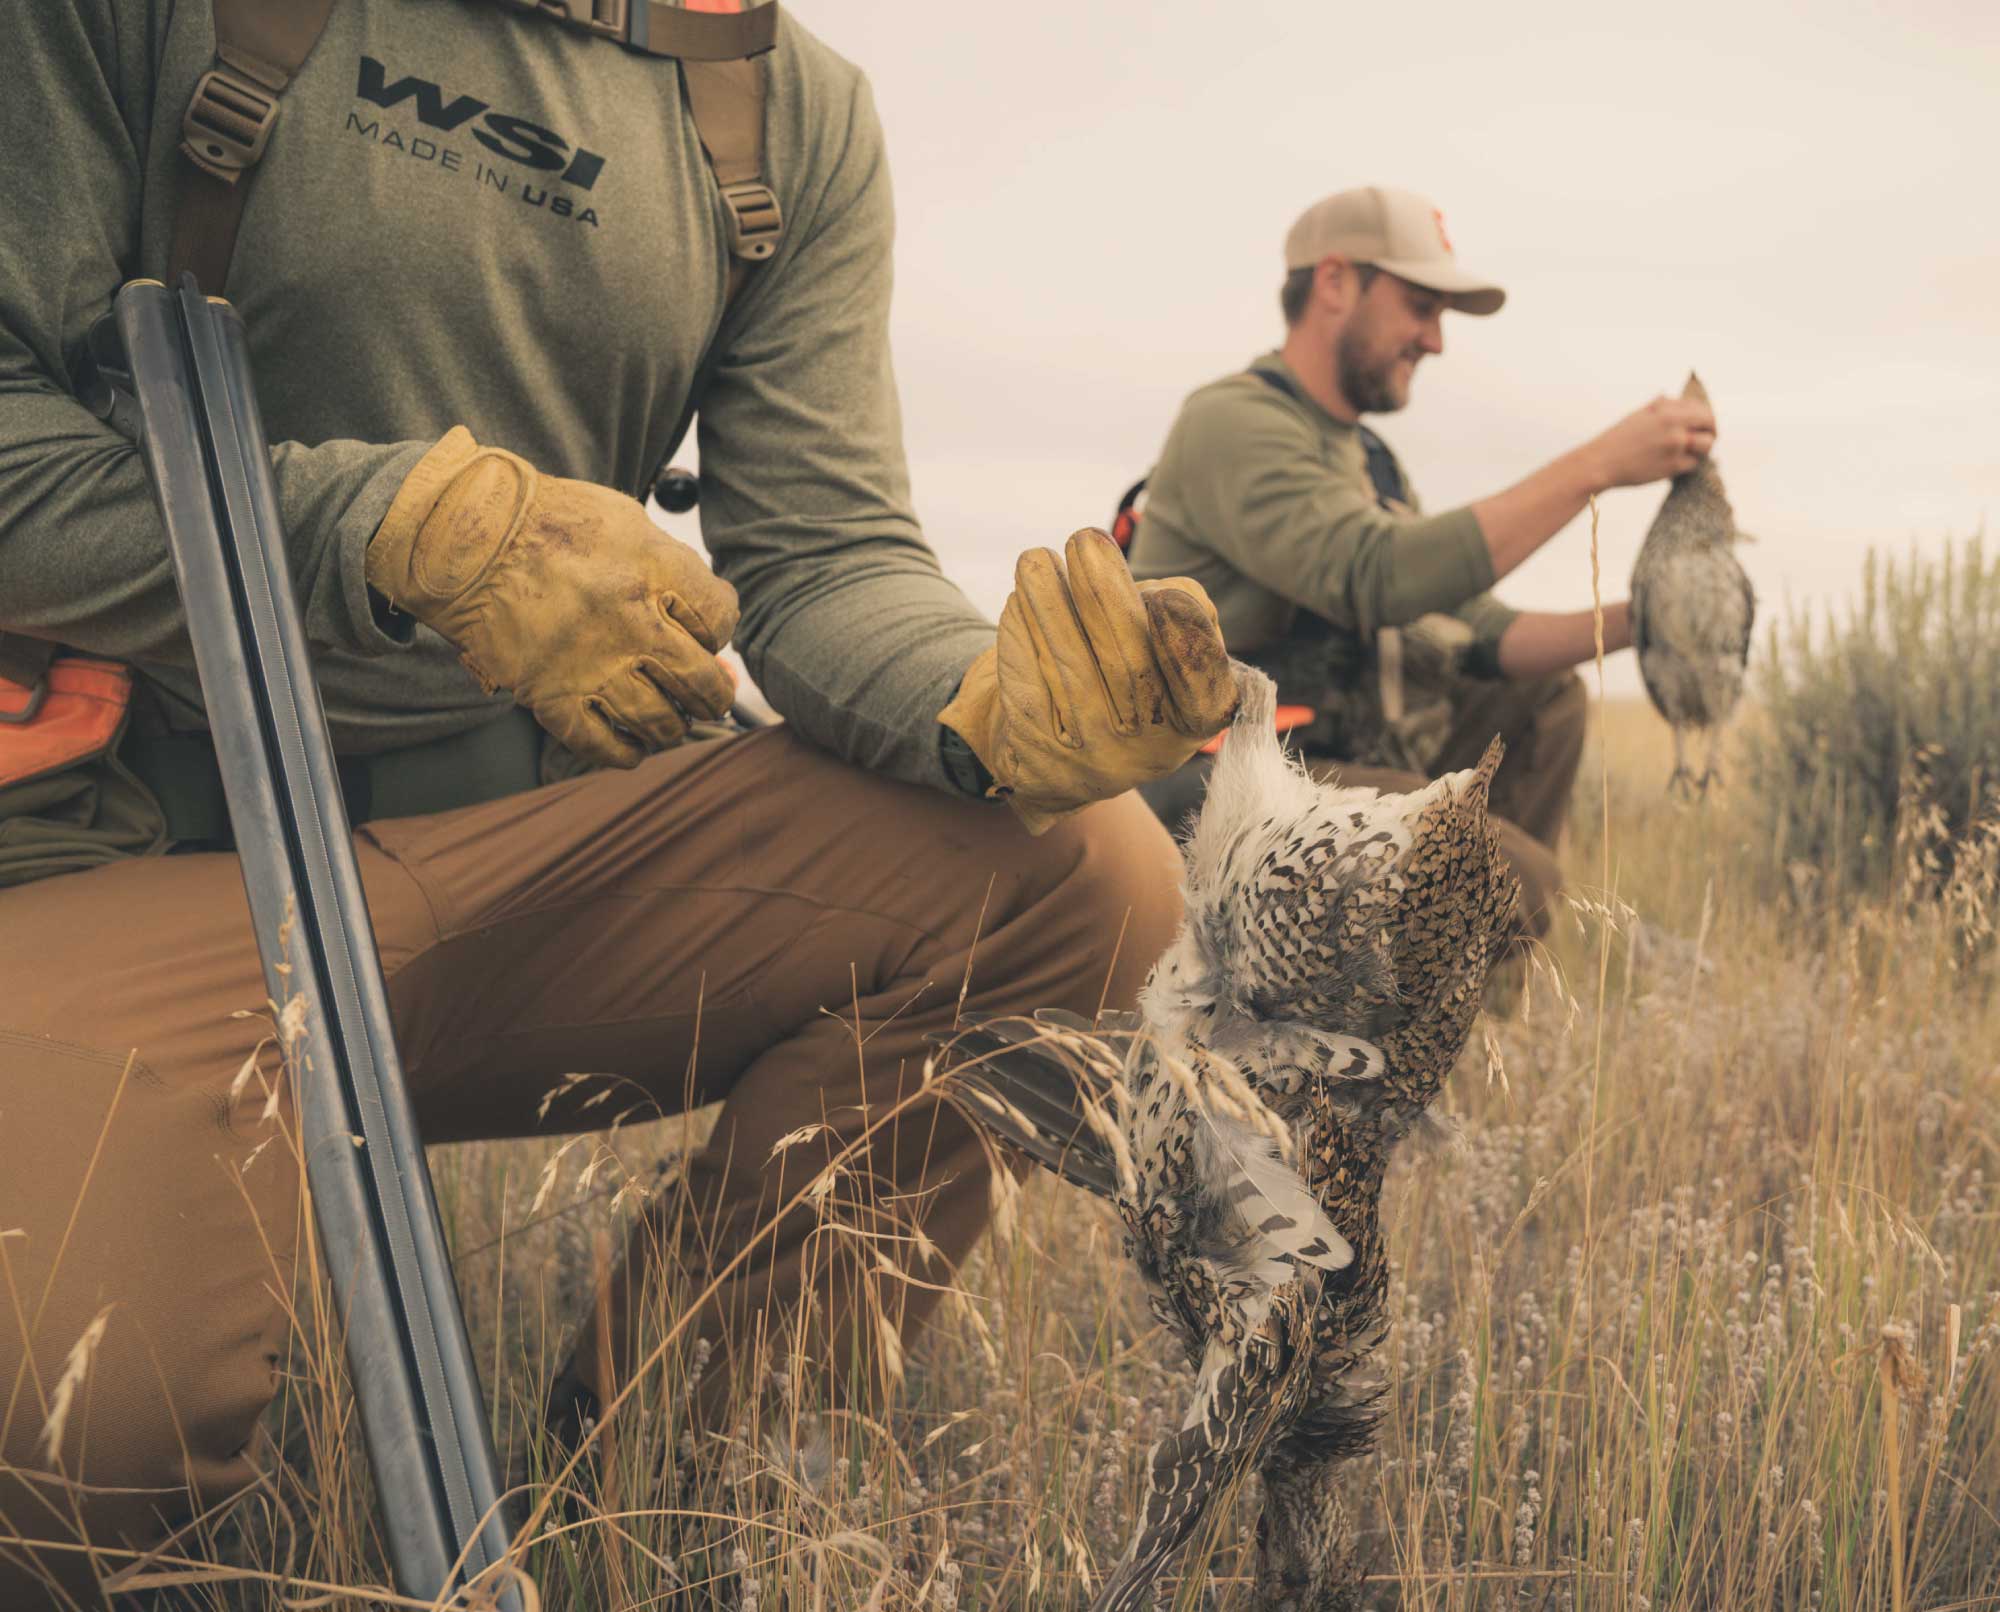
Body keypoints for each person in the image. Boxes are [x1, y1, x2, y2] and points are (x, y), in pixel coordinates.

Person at [0, 3, 1236, 1600]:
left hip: (506, 872)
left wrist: (982, 711)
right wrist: (397, 530)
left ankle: (665, 1492)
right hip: (110, 861)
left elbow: (825, 554)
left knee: (1080, 869)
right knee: (68, 1432)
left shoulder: (778, 106)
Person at [1129, 185, 1716, 935]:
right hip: (1219, 783)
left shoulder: (1369, 459)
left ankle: (1444, 984)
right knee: (1509, 883)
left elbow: (1473, 623)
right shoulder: (1232, 422)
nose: (1435, 340)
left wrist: (1649, 619)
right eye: (1420, 306)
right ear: (1337, 282)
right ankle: (1399, 982)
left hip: (1326, 761)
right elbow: (1374, 575)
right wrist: (1598, 465)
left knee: (1547, 698)